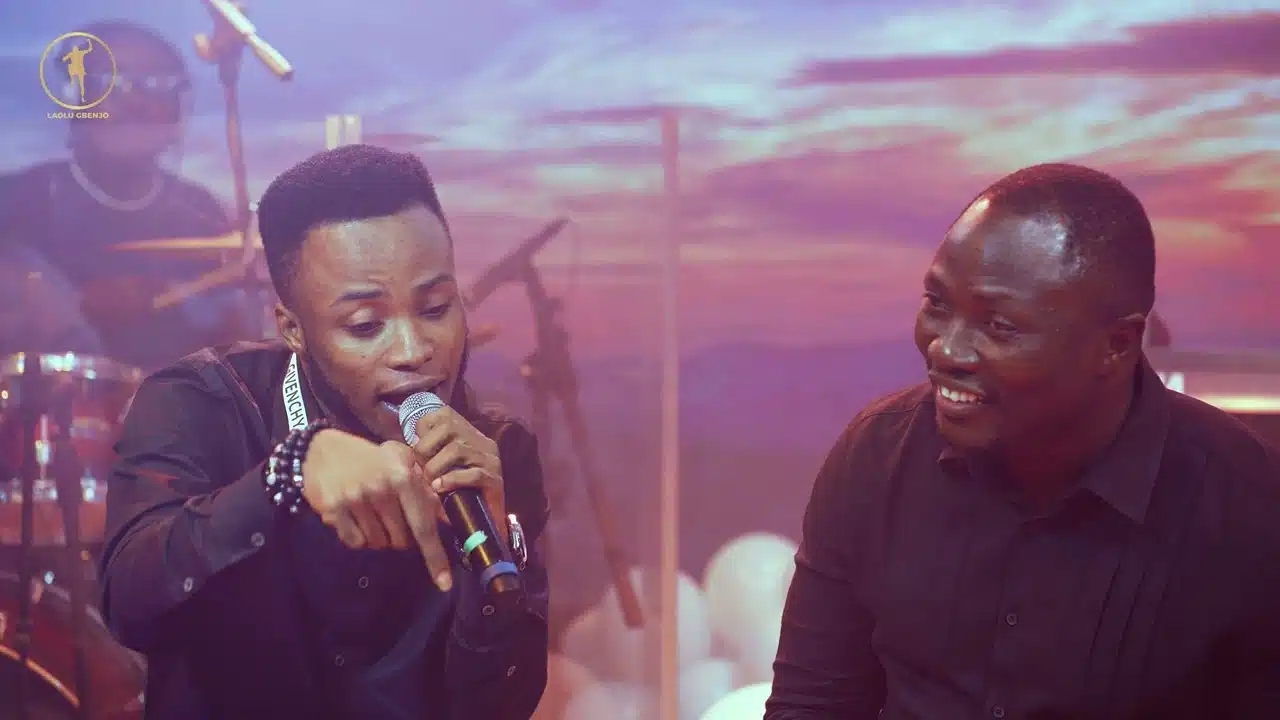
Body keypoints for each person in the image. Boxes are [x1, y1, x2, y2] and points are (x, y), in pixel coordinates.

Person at [765, 163, 1280, 719]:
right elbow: (811, 705)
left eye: (998, 326)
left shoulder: (1248, 507)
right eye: (937, 304)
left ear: (1117, 344)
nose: (945, 350)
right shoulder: (875, 457)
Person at [98, 145, 551, 718]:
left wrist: (495, 549)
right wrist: (284, 475)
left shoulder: (495, 449)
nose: (414, 350)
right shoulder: (202, 403)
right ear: (293, 328)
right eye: (365, 325)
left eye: (436, 309)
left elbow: (503, 706)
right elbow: (130, 600)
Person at [0, 19, 239, 370]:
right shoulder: (16, 200)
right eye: (108, 83)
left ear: (179, 108)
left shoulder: (203, 213)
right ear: (74, 99)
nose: (136, 101)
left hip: (177, 400)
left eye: (156, 85)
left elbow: (232, 339)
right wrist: (69, 304)